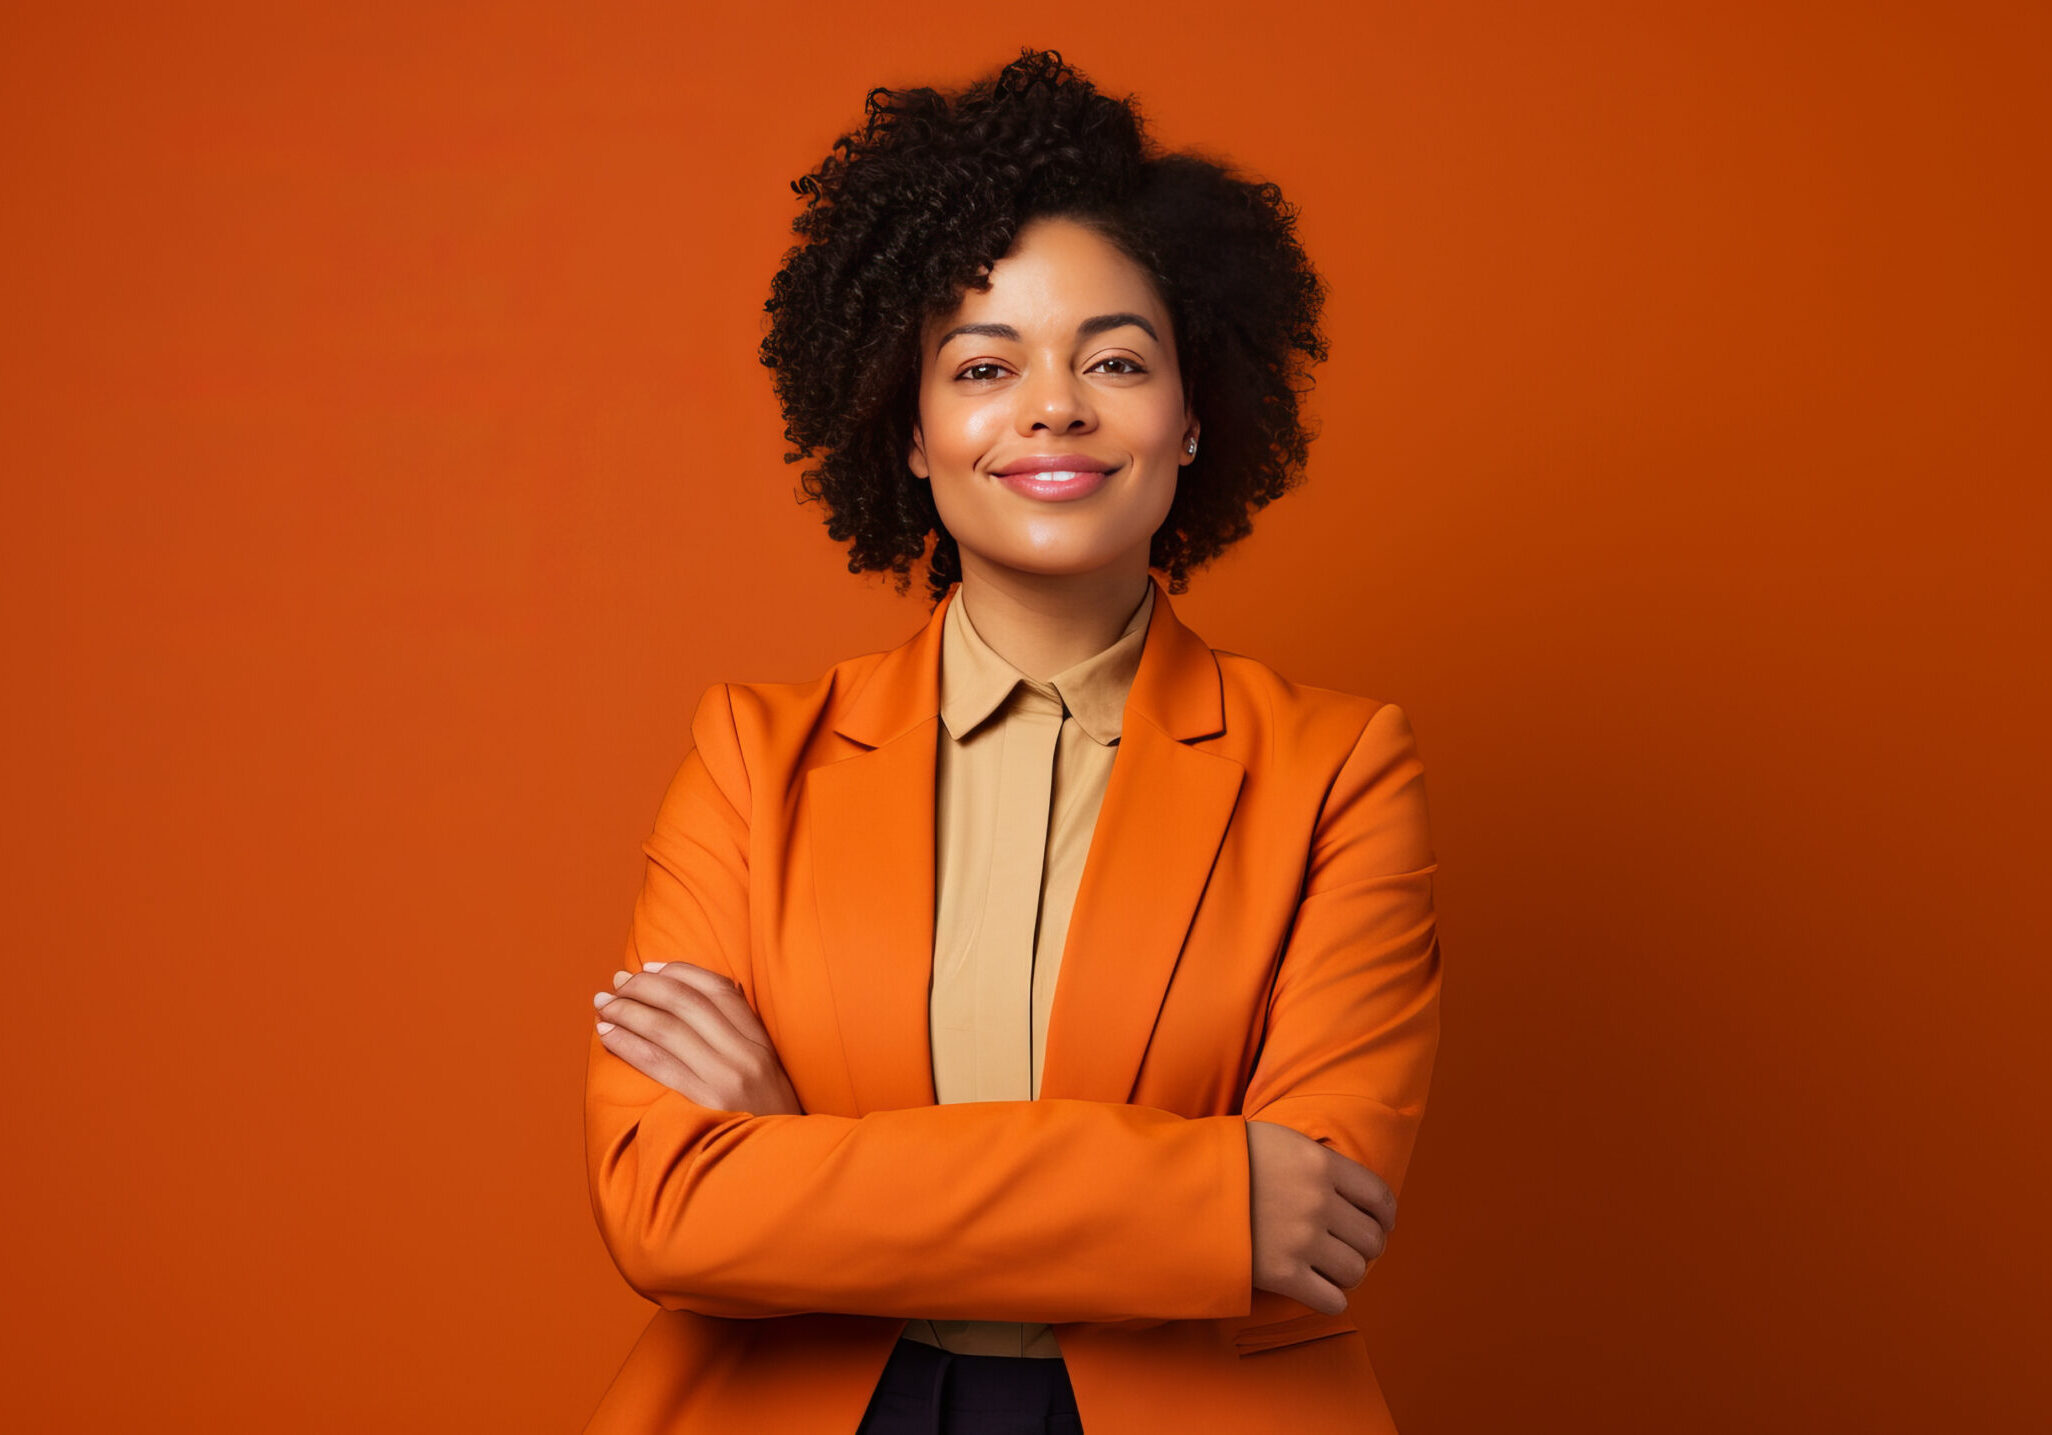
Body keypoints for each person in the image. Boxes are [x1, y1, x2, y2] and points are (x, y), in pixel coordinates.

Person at [581, 48, 1443, 1435]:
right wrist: (1205, 1200)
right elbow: (666, 1206)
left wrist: (801, 1158)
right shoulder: (752, 758)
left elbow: (1312, 1217)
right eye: (985, 364)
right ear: (910, 432)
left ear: (1192, 415)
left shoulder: (1338, 772)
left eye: (1114, 359)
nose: (1055, 405)